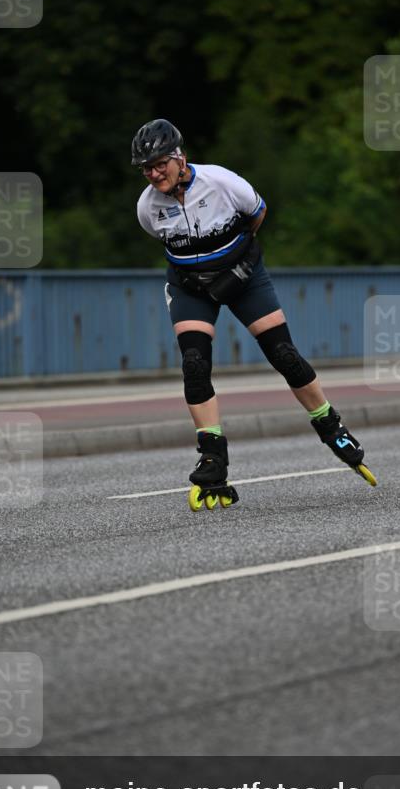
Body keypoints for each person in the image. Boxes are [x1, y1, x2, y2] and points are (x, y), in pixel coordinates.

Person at [133, 118, 372, 506]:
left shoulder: (221, 182)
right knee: (194, 362)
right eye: (147, 168)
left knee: (283, 354)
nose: (154, 173)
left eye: (160, 163)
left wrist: (241, 265)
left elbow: (258, 215)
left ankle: (332, 426)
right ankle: (212, 457)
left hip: (243, 276)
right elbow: (164, 241)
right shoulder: (148, 206)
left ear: (180, 157)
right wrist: (198, 276)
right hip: (190, 286)